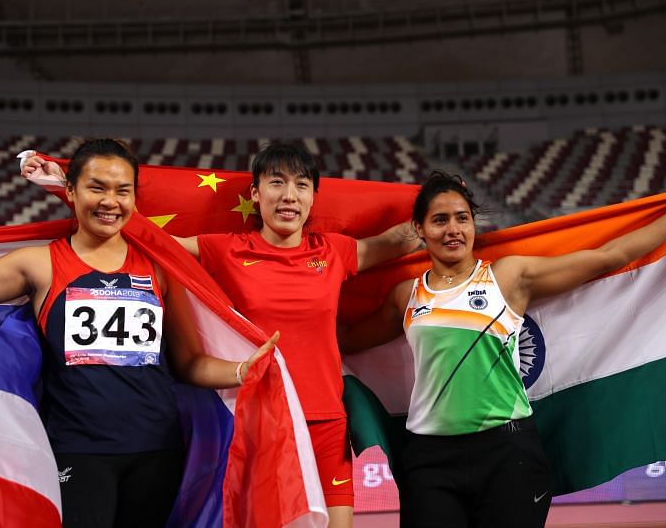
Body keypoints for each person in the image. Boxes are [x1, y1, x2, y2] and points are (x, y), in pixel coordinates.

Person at [0, 138, 278, 528]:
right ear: (71, 191)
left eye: (123, 191)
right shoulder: (41, 264)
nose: (110, 202)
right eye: (97, 187)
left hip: (158, 449)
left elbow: (189, 363)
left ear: (135, 199)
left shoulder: (158, 269)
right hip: (77, 450)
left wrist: (244, 369)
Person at [22, 142, 421, 527]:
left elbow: (398, 241)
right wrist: (64, 188)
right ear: (255, 193)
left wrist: (441, 203)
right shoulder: (226, 249)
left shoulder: (334, 251)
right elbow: (153, 241)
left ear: (314, 197)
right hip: (262, 421)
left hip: (326, 422)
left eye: (301, 185)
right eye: (276, 183)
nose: (288, 195)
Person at [338, 170, 666, 528]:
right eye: (440, 220)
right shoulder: (407, 295)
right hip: (429, 459)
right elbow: (351, 339)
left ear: (474, 223)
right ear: (419, 229)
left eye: (462, 218)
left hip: (507, 455)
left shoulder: (508, 278)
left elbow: (609, 257)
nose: (453, 229)